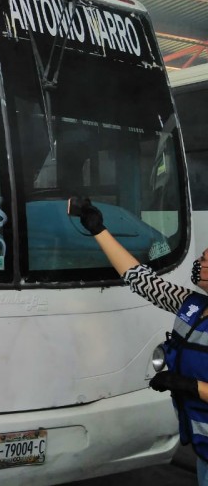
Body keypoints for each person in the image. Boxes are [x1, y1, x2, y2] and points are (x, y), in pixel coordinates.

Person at [77, 198, 208, 484]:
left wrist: (189, 386)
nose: (200, 262)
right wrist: (99, 230)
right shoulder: (192, 305)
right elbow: (142, 281)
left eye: (207, 260)